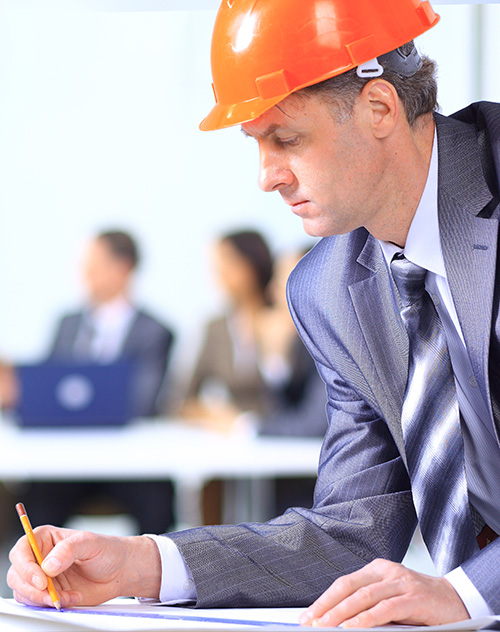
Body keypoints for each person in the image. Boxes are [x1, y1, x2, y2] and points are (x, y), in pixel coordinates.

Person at [8, 0, 500, 625]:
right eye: (256, 143)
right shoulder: (328, 290)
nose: (266, 177)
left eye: (286, 138)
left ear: (380, 109)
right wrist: (140, 563)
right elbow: (353, 530)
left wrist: (466, 593)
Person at [18, 230, 176, 535]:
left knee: (157, 503)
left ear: (123, 267)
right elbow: (47, 388)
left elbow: (143, 401)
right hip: (67, 462)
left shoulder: (155, 331)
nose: (84, 275)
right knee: (33, 502)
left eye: (94, 265)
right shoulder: (67, 323)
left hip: (129, 463)